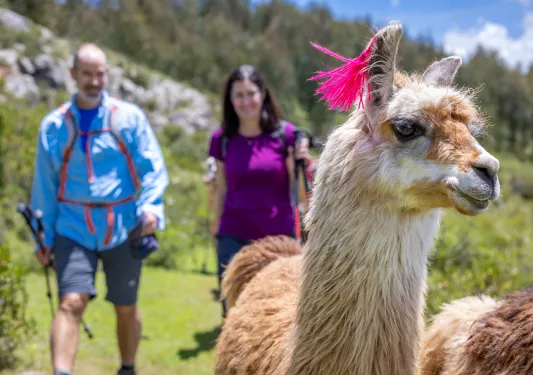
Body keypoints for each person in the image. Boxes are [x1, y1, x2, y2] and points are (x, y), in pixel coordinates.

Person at [30, 43, 169, 375]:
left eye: (100, 74)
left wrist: (151, 209)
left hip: (124, 226)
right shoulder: (54, 126)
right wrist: (43, 237)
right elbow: (45, 187)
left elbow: (153, 168)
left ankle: (127, 368)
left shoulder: (128, 118)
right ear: (73, 74)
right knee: (71, 302)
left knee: (125, 305)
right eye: (87, 74)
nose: (94, 81)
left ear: (107, 74)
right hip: (72, 227)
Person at [208, 64, 311, 316]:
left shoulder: (285, 135)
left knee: (276, 311)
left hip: (278, 240)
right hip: (233, 236)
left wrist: (302, 161)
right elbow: (221, 189)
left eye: (250, 93)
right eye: (239, 95)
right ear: (230, 100)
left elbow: (300, 194)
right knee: (233, 314)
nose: (246, 101)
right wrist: (215, 229)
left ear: (263, 94)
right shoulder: (221, 139)